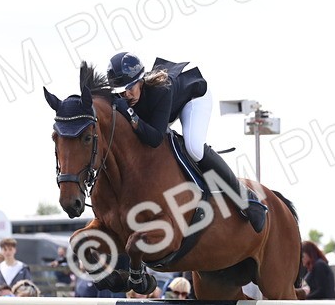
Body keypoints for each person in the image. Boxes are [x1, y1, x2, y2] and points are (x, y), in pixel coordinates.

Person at [106, 52, 266, 232]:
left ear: (140, 81)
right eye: (120, 92)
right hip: (164, 109)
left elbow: (155, 138)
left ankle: (247, 199)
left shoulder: (161, 90)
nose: (126, 95)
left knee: (194, 148)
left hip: (193, 99)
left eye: (129, 88)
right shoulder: (124, 97)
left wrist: (129, 114)